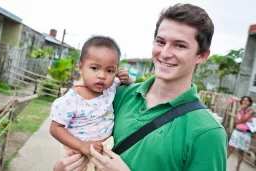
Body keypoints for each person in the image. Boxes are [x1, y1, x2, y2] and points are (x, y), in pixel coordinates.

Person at [54, 3, 228, 171]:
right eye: (160, 42)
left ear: (202, 55)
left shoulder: (208, 132)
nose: (165, 53)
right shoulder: (119, 94)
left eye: (180, 45)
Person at [49, 36, 133, 170]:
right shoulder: (71, 100)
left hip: (104, 150)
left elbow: (127, 82)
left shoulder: (110, 88)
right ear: (81, 67)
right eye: (94, 68)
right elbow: (55, 128)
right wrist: (81, 146)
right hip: (78, 153)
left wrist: (128, 79)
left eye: (110, 70)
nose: (102, 75)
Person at [227, 96, 254, 171]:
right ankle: (223, 162)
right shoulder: (239, 110)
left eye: (247, 100)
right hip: (237, 131)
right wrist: (243, 119)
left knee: (241, 151)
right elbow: (237, 121)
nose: (245, 102)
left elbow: (242, 120)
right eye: (244, 100)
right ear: (241, 101)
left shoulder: (251, 111)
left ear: (250, 102)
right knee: (230, 148)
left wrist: (243, 110)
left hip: (245, 134)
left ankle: (237, 167)